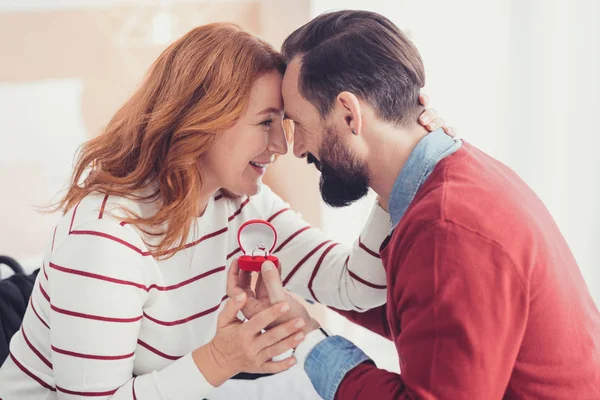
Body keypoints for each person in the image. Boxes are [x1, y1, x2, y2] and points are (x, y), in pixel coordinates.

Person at [0, 22, 447, 399]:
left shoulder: (241, 204)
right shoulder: (107, 236)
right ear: (205, 119)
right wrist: (221, 358)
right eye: (265, 123)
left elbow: (355, 286)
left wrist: (395, 173)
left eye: (285, 124)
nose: (282, 145)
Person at [239, 9, 600, 400]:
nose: (297, 148)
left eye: (300, 125)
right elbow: (424, 313)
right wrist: (295, 292)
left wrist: (307, 338)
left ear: (348, 114)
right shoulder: (458, 175)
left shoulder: (447, 227)